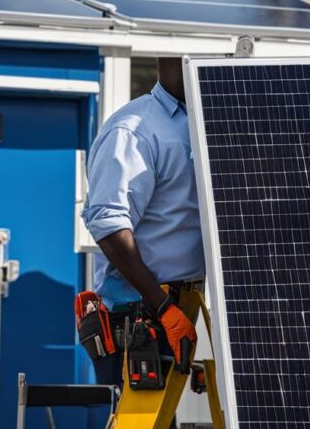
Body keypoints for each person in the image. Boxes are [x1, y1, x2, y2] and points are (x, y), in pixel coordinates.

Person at [82, 57, 203, 386]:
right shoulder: (134, 128)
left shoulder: (209, 122)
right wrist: (163, 307)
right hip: (141, 313)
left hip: (187, 308)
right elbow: (109, 226)